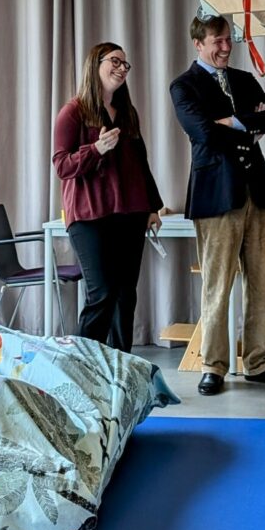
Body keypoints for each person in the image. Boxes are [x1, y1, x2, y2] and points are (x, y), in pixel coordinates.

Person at [170, 15, 265, 395]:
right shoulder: (184, 86)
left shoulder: (243, 80)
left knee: (263, 286)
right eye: (218, 41)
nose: (226, 47)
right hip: (216, 196)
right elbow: (203, 132)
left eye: (228, 40)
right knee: (217, 287)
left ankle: (259, 363)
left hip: (257, 193)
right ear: (198, 43)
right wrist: (248, 127)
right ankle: (213, 367)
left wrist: (232, 121)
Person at [53, 42, 163, 353]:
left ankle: (119, 363)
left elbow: (141, 163)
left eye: (125, 64)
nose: (122, 68)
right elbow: (62, 166)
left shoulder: (127, 113)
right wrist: (96, 149)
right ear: (95, 64)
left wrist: (152, 207)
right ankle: (83, 363)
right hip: (89, 216)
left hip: (131, 214)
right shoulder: (73, 112)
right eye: (115, 61)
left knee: (125, 294)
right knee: (101, 292)